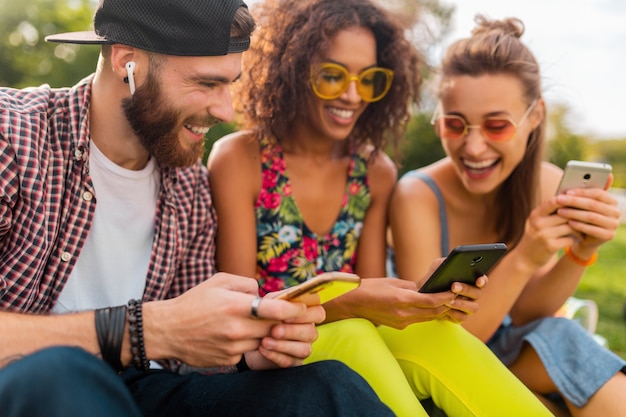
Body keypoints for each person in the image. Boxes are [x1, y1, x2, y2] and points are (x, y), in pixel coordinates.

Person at [0, 0, 399, 416]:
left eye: (230, 84)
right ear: (127, 61)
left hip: (143, 392)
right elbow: (156, 335)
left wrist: (250, 348)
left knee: (324, 387)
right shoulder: (12, 136)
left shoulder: (188, 187)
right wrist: (145, 330)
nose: (226, 110)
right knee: (57, 375)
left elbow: (187, 360)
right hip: (31, 387)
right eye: (206, 84)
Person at [207, 0, 553, 416]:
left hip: (351, 333)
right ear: (293, 69)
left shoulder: (373, 171)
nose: (352, 95)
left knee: (434, 338)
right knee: (354, 334)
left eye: (368, 79)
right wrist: (355, 302)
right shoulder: (240, 160)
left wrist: (416, 298)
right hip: (269, 352)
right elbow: (246, 310)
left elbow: (372, 298)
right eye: (332, 76)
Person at [388, 15, 626, 417]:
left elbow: (528, 315)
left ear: (534, 117)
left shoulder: (548, 185)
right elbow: (435, 347)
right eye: (455, 124)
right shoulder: (417, 195)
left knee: (563, 338)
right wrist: (525, 256)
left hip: (511, 347)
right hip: (441, 362)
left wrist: (582, 251)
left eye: (497, 126)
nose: (474, 147)